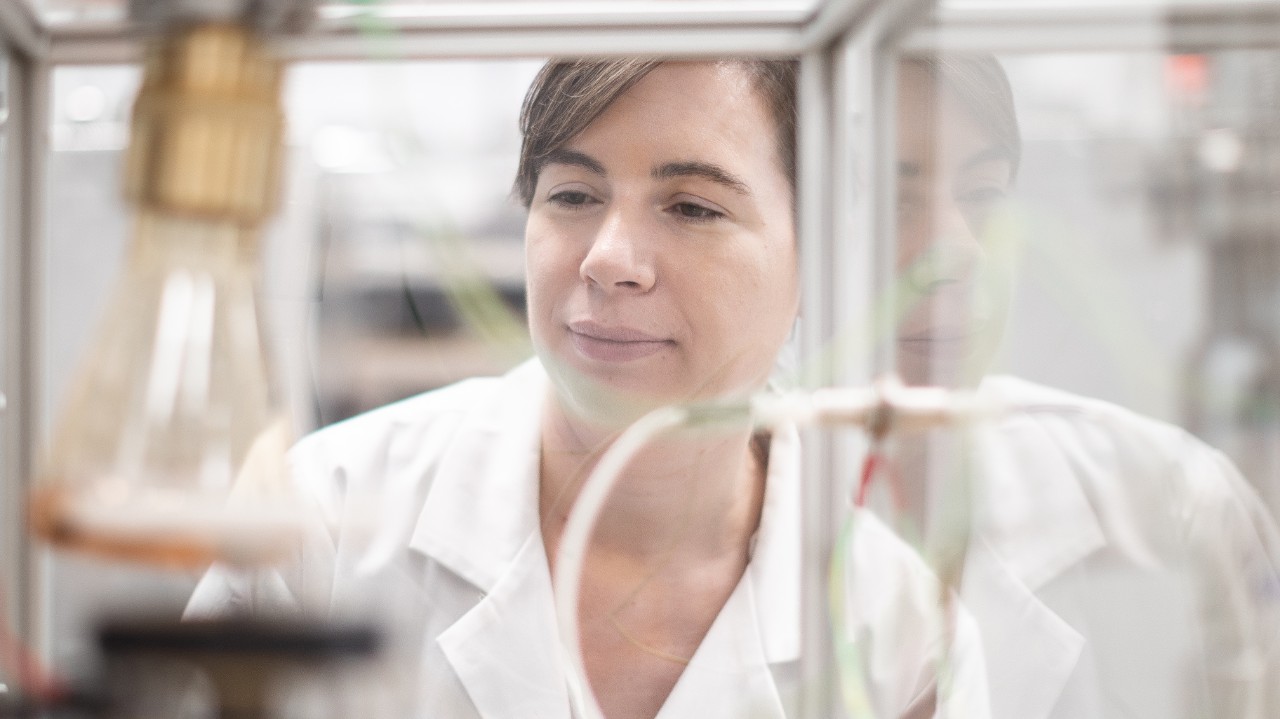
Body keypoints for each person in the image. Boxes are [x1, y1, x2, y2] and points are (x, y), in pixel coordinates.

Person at [186, 59, 987, 719]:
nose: (608, 258)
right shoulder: (322, 516)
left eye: (692, 207)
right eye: (573, 194)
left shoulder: (899, 632)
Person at [889, 54, 1280, 719]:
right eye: (891, 202)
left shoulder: (1177, 500)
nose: (954, 255)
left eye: (983, 196)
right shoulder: (715, 532)